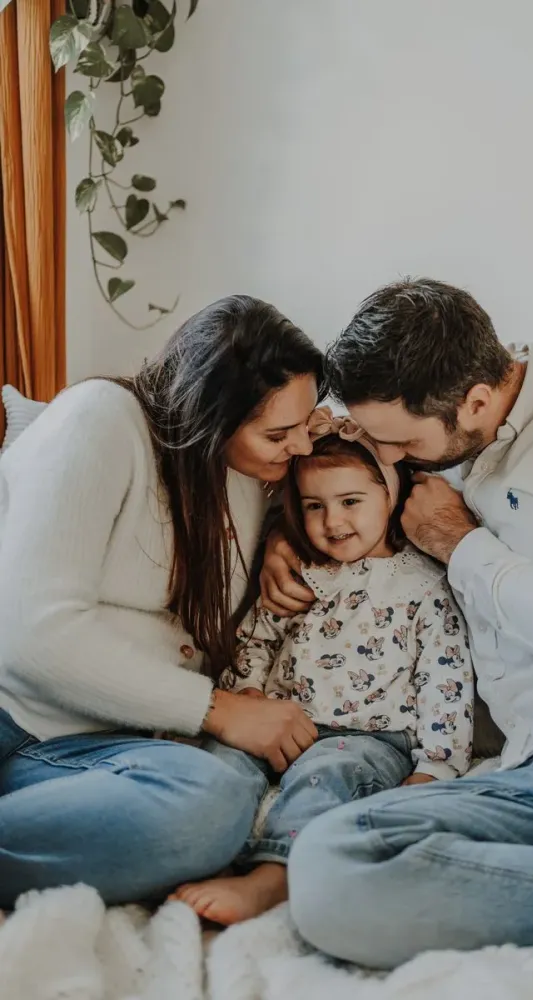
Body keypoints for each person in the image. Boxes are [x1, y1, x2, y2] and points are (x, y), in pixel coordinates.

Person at [262, 279, 533, 996]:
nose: (384, 453)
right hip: (527, 769)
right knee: (328, 866)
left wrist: (461, 544)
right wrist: (284, 540)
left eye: (399, 442)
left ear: (477, 401)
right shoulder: (419, 429)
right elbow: (330, 476)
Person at [0, 294, 324, 908]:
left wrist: (284, 533)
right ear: (210, 413)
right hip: (13, 713)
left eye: (306, 424)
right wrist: (217, 709)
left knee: (213, 805)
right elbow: (30, 635)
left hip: (93, 749)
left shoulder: (245, 471)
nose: (302, 446)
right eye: (280, 433)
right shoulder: (101, 420)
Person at [171, 408, 473, 924]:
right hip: (277, 726)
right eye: (315, 506)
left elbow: (445, 677)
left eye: (351, 502)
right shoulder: (301, 570)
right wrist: (244, 697)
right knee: (218, 765)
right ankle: (186, 850)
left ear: (391, 494)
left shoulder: (425, 585)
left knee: (328, 775)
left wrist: (436, 766)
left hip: (368, 737)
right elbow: (257, 640)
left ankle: (276, 879)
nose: (333, 522)